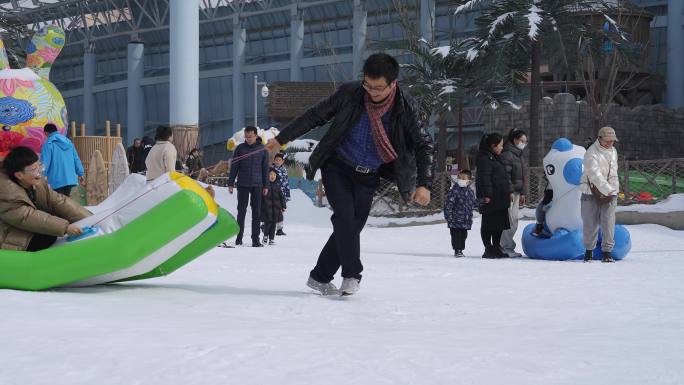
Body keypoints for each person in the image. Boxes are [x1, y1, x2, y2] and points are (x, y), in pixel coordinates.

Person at [265, 53, 434, 296]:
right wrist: (281, 138)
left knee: (352, 227)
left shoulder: (406, 106)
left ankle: (319, 276)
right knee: (345, 219)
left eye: (378, 88)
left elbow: (423, 144)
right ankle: (352, 273)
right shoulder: (350, 94)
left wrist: (424, 184)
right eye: (368, 85)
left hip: (369, 174)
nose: (372, 92)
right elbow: (315, 115)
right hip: (337, 166)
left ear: (393, 84)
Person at [0, 146, 91, 251]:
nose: (39, 174)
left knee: (57, 226)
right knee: (48, 237)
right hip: (7, 234)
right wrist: (64, 227)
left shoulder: (35, 182)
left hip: (26, 226)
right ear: (19, 175)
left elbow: (58, 201)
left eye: (40, 167)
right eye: (34, 170)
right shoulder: (6, 192)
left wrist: (89, 218)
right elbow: (27, 216)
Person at [580, 126, 620, 263]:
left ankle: (607, 252)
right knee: (590, 222)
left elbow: (614, 173)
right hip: (590, 192)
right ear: (600, 138)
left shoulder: (614, 151)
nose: (610, 143)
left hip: (610, 193)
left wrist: (614, 190)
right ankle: (589, 252)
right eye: (607, 140)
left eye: (612, 141)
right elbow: (594, 174)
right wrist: (608, 189)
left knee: (608, 222)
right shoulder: (591, 152)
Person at [228, 126, 269, 247]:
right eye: (246, 137)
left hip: (257, 185)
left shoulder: (262, 150)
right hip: (243, 184)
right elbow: (234, 166)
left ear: (256, 136)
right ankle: (239, 238)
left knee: (256, 212)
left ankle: (255, 239)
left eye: (250, 136)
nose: (248, 139)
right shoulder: (240, 148)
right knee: (241, 211)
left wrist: (266, 185)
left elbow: (265, 169)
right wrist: (231, 183)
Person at [475, 133, 513, 259]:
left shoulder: (496, 157)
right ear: (493, 146)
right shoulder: (484, 158)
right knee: (488, 224)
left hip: (500, 196)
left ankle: (496, 247)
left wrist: (508, 192)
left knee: (499, 224)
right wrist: (487, 195)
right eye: (500, 145)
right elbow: (484, 178)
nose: (502, 148)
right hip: (490, 198)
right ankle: (488, 248)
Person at [499, 128, 528, 258]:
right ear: (515, 140)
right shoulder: (508, 154)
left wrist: (522, 192)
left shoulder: (519, 155)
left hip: (516, 192)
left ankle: (507, 245)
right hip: (509, 193)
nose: (523, 143)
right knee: (510, 220)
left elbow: (521, 176)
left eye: (525, 141)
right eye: (522, 140)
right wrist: (509, 191)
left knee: (514, 219)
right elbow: (506, 175)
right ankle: (505, 246)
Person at [40, 123, 85, 197]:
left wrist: (41, 175)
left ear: (46, 133)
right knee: (66, 202)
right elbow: (76, 158)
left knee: (59, 203)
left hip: (56, 179)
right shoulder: (68, 142)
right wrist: (80, 173)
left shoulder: (48, 143)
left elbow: (45, 162)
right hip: (70, 179)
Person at [443, 169, 477, 258]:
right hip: (455, 219)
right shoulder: (454, 191)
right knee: (456, 236)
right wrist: (448, 216)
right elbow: (448, 205)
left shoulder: (470, 192)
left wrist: (482, 202)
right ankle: (457, 250)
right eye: (459, 177)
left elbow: (473, 203)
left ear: (468, 181)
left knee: (463, 236)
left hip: (465, 219)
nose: (461, 179)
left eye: (463, 178)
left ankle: (461, 249)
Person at [261, 167, 287, 246]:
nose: (272, 176)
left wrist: (283, 206)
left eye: (274, 175)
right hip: (267, 209)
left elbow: (281, 197)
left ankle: (271, 239)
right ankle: (265, 236)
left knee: (273, 225)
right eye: (270, 174)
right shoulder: (264, 186)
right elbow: (261, 198)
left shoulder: (277, 186)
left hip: (276, 209)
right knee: (267, 223)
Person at [272, 153, 290, 236]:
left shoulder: (284, 171)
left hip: (281, 195)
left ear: (282, 161)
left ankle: (279, 229)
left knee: (280, 211)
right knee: (270, 210)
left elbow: (286, 183)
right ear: (274, 161)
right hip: (272, 193)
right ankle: (265, 225)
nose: (278, 162)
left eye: (279, 160)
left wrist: (287, 195)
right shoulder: (271, 170)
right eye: (276, 160)